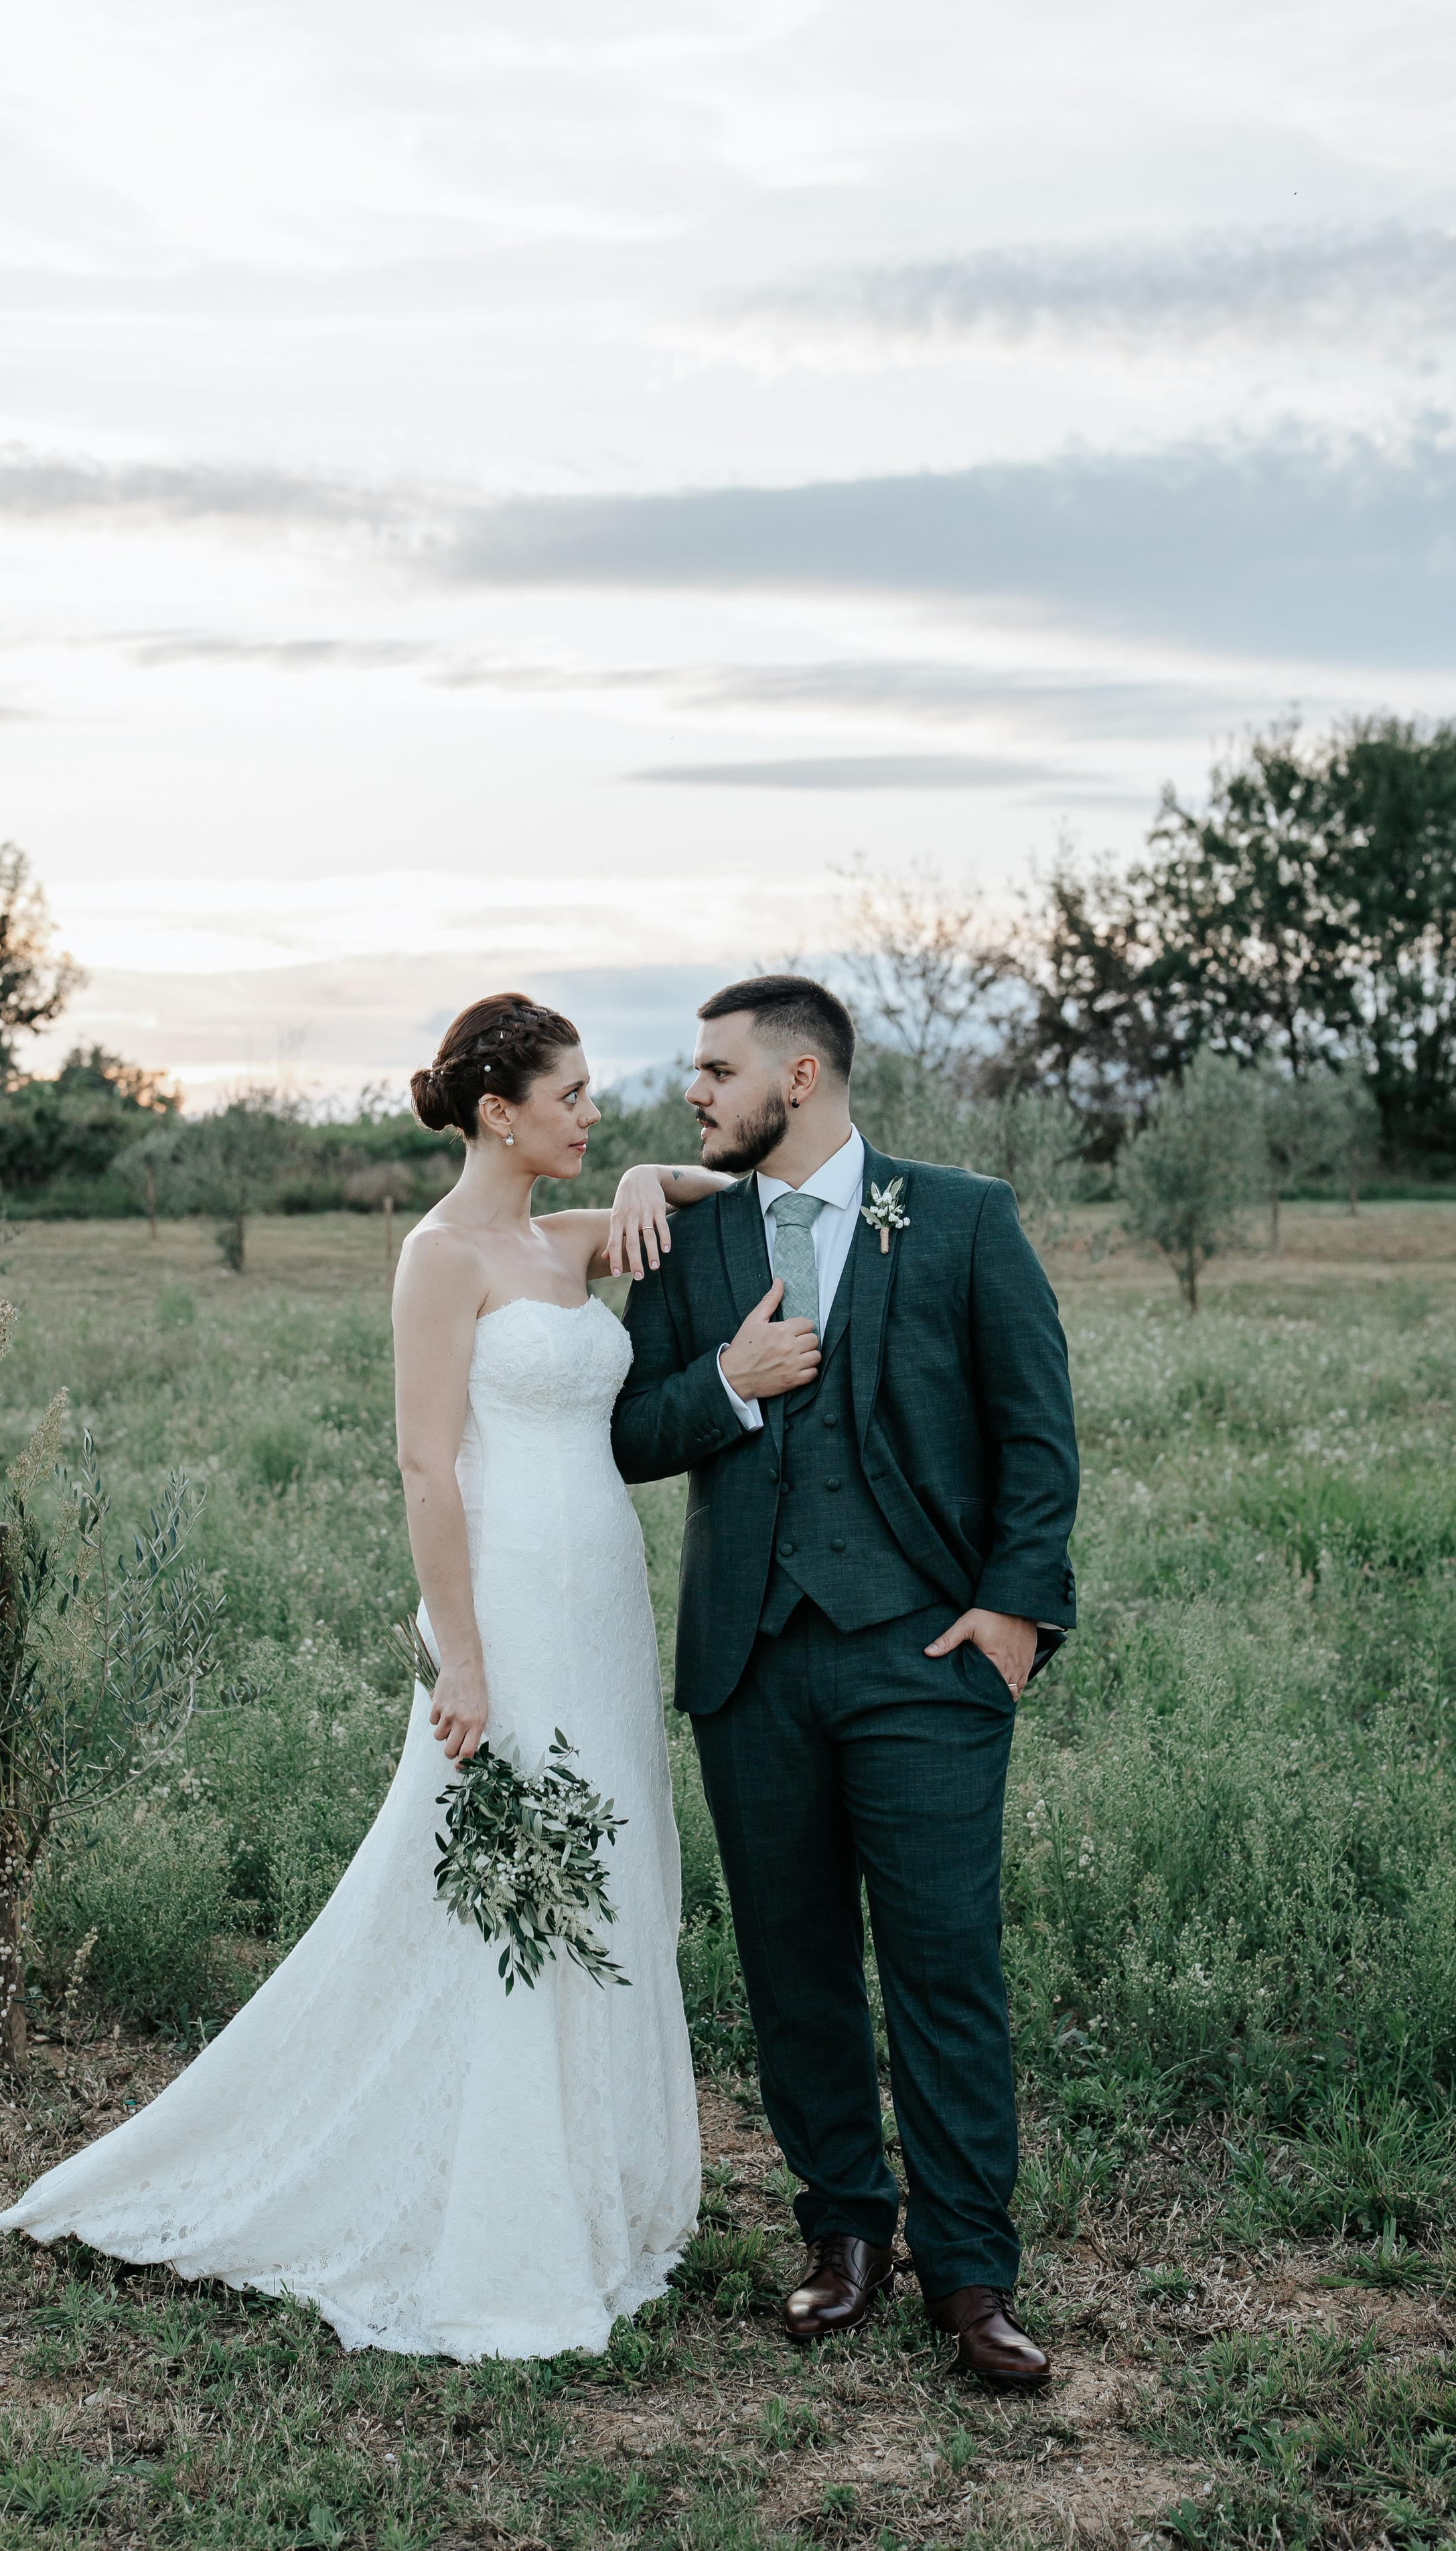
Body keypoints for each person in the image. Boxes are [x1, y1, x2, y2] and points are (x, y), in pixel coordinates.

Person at [0, 992, 727, 2362]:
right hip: (501, 1603)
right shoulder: (440, 1257)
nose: (589, 1114)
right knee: (499, 1889)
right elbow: (422, 1466)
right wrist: (460, 1655)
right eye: (571, 1098)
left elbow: (713, 1182)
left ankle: (588, 2181)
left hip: (603, 1603)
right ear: (499, 1112)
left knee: (607, 1868)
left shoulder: (575, 1239)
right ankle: (491, 2212)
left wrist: (640, 1174)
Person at [611, 974, 1079, 2386]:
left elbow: (1036, 1434)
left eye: (713, 1070)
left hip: (925, 1659)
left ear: (797, 1078)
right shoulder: (683, 1237)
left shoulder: (961, 1216)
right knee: (793, 1967)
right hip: (751, 1662)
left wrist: (1011, 1617)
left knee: (944, 1967)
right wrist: (730, 1380)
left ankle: (971, 2273)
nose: (692, 1093)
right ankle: (842, 2237)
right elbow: (628, 1431)